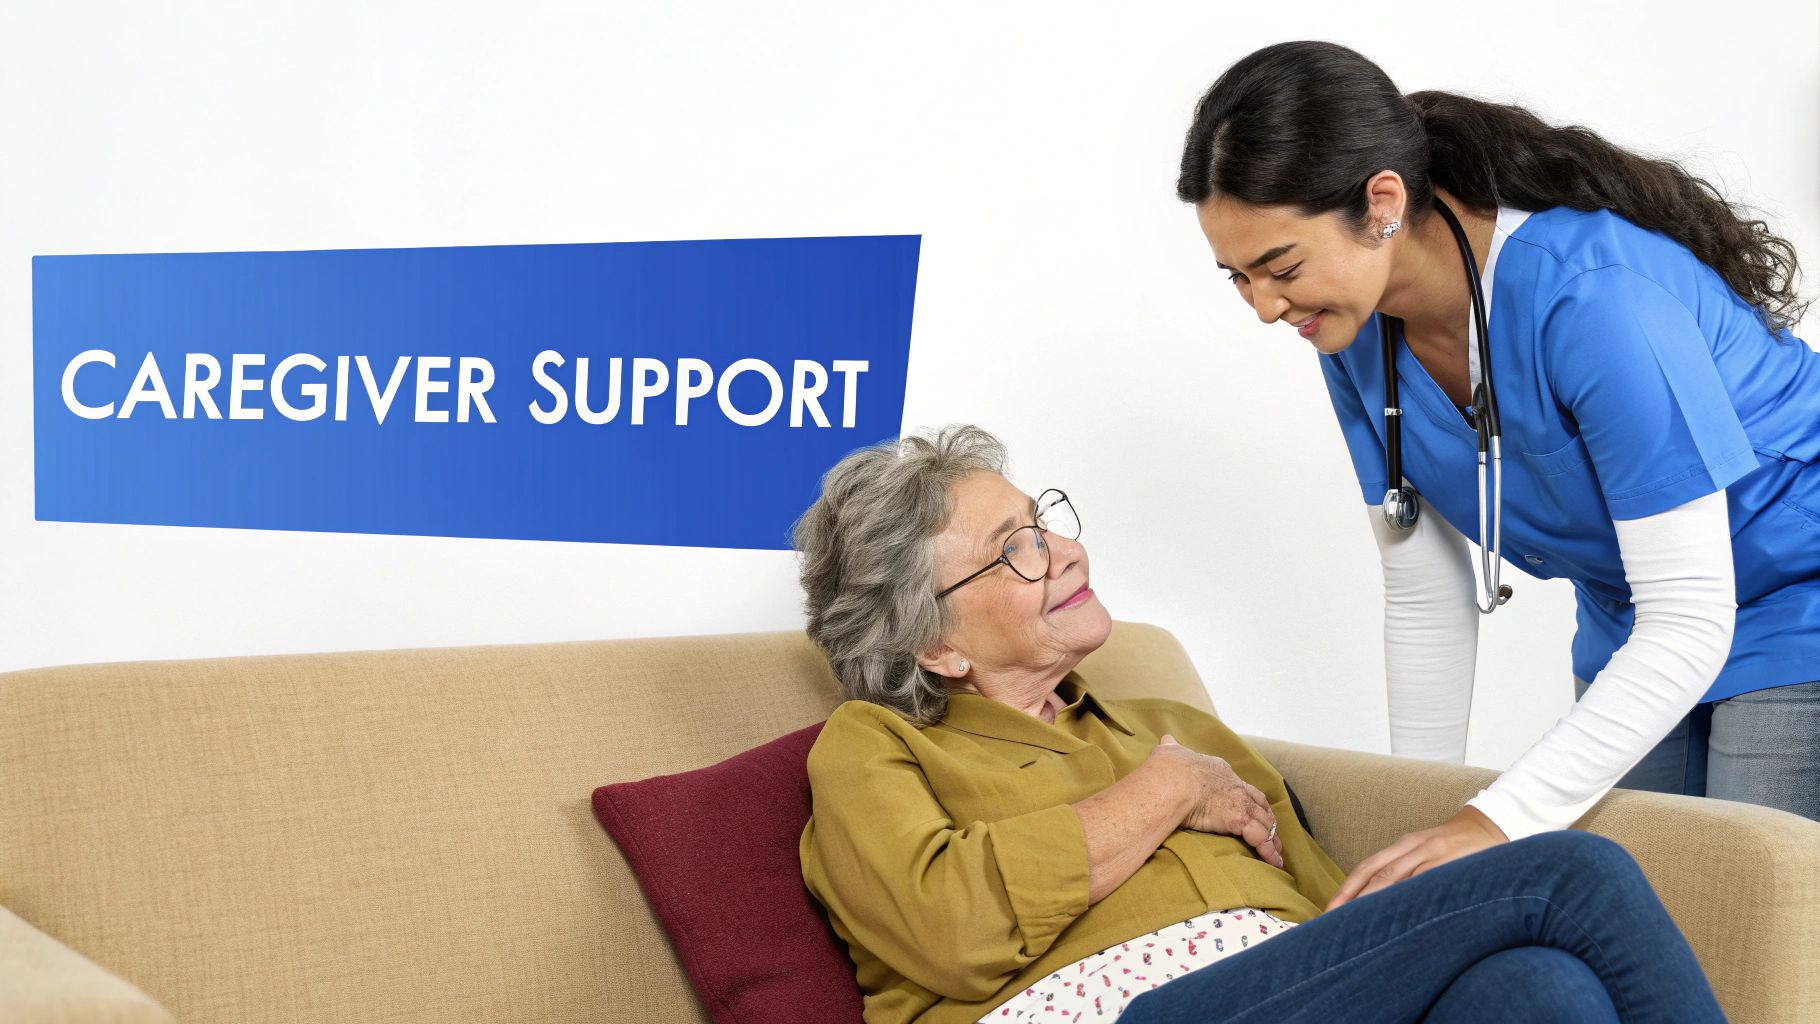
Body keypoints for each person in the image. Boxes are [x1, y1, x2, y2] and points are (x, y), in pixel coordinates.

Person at [1177, 40, 1820, 907]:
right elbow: (1423, 588)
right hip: (1636, 622)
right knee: (1647, 912)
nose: (1263, 307)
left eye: (1281, 267)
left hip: (1795, 599)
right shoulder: (1351, 331)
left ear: (1383, 202)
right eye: (1238, 278)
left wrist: (1491, 820)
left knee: (1747, 911)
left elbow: (1692, 613)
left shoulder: (1593, 297)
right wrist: (1414, 818)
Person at [792, 424, 1722, 1023]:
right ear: (936, 646)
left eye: (1046, 521)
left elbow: (1329, 916)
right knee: (1571, 875)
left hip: (1280, 991)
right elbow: (952, 929)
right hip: (1104, 1014)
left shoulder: (1166, 721)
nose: (1068, 550)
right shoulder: (878, 746)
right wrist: (1168, 791)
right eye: (1019, 550)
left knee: (1537, 995)